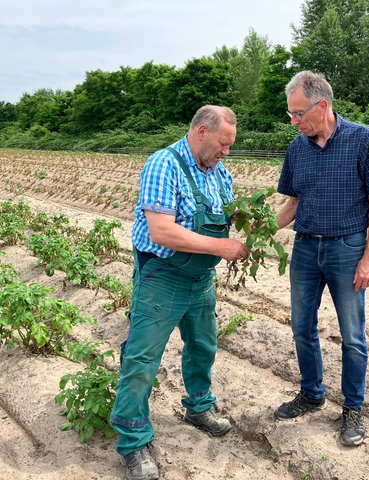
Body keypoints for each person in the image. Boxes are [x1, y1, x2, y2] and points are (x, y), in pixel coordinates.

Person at [110, 105, 249, 480]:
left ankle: (198, 406)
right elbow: (162, 232)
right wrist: (222, 248)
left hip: (200, 280)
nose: (226, 152)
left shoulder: (220, 174)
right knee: (142, 359)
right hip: (163, 276)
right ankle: (133, 441)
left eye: (230, 145)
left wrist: (251, 219)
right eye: (222, 143)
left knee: (203, 347)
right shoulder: (164, 164)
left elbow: (226, 217)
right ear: (202, 131)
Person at [273, 71, 369, 447]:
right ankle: (312, 393)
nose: (293, 122)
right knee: (301, 327)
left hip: (347, 248)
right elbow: (292, 204)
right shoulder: (296, 149)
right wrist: (258, 232)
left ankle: (353, 408)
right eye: (290, 114)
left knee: (353, 336)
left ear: (322, 105)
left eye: (297, 114)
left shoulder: (362, 138)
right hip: (306, 248)